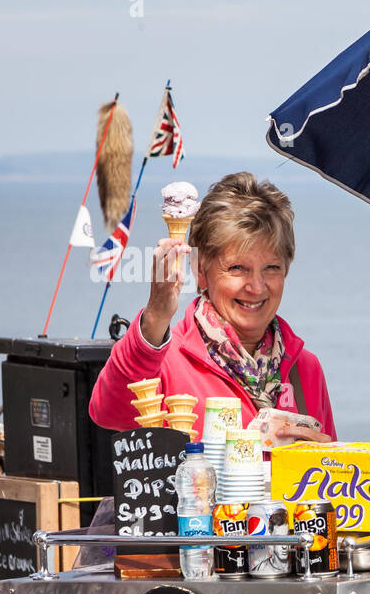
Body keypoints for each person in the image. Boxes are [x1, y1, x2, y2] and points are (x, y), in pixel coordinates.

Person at [89, 172, 336, 441]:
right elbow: (107, 411)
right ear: (200, 269)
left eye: (272, 268)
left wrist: (322, 461)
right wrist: (155, 317)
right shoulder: (166, 363)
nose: (256, 286)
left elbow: (334, 478)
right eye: (237, 268)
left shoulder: (305, 369)